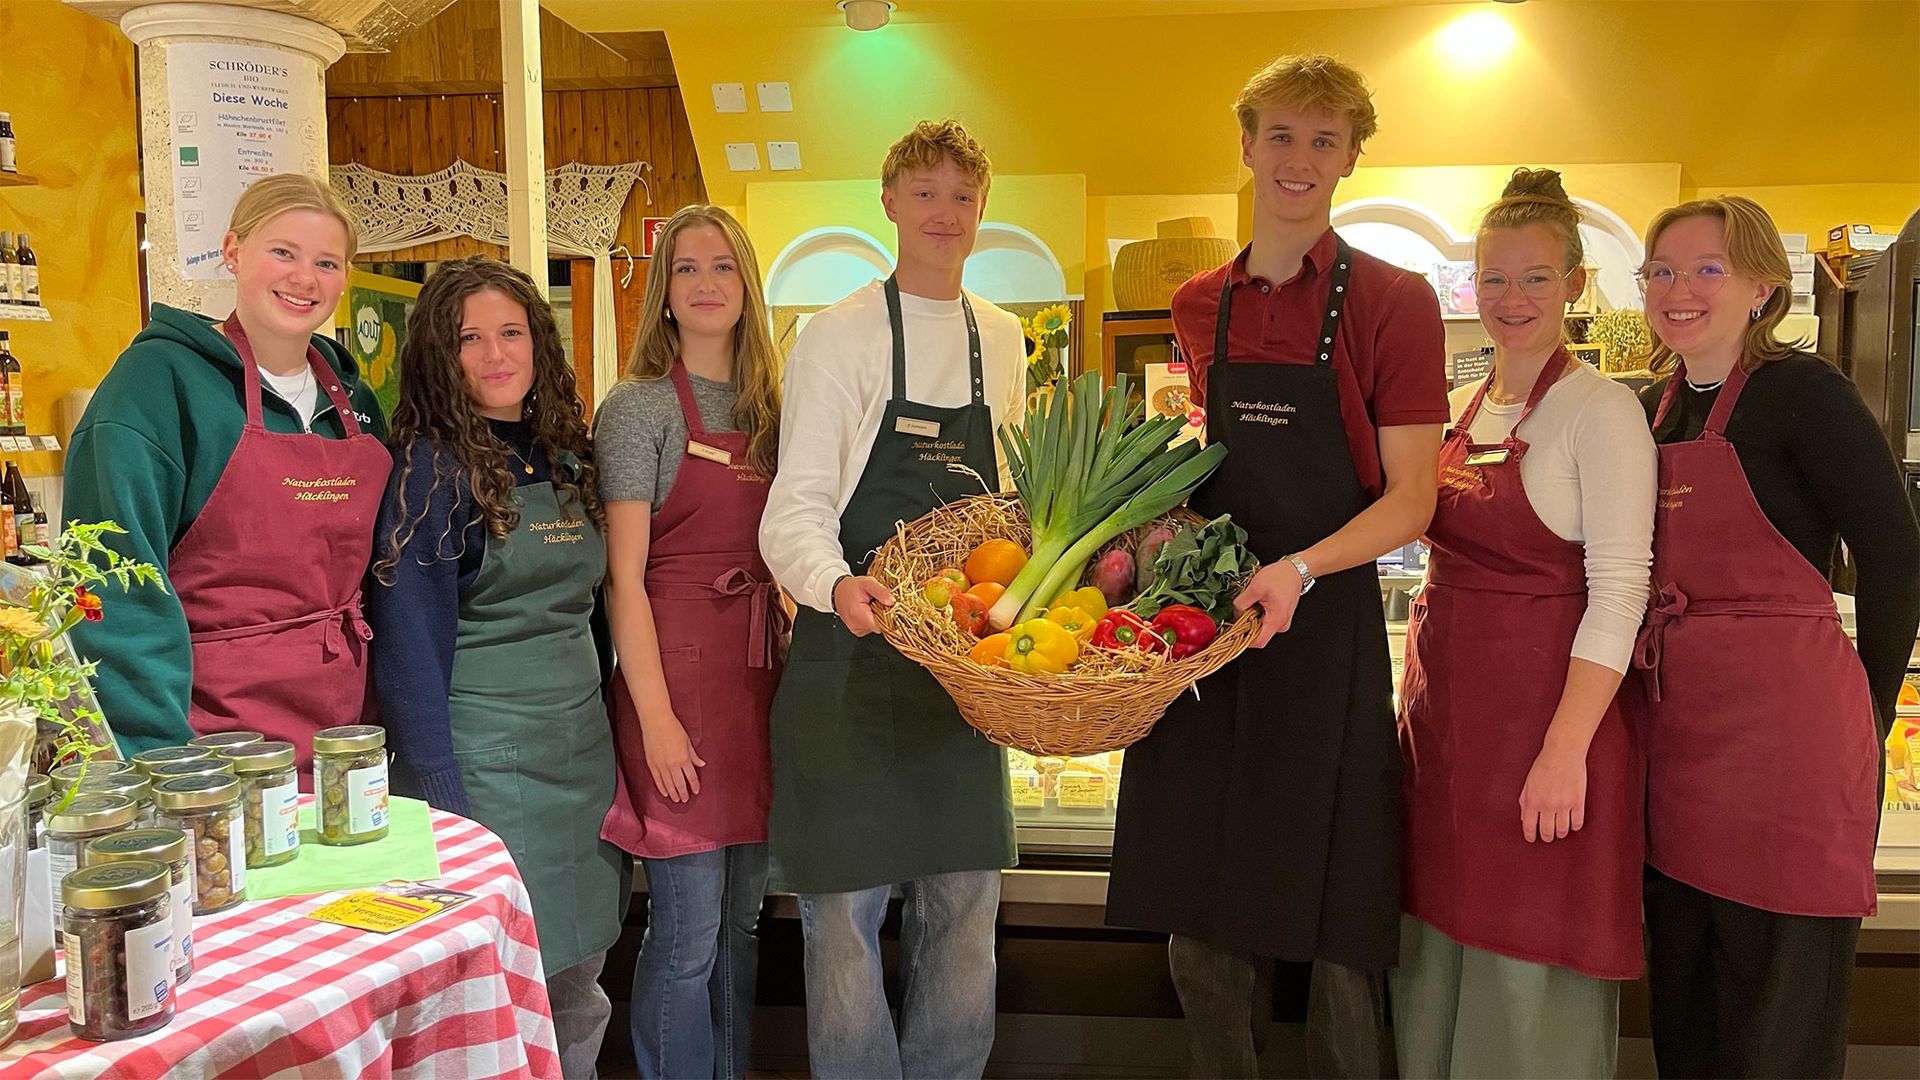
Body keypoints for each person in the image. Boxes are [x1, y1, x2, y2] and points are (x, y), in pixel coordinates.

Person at [1105, 54, 1448, 1079]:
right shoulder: (1198, 302)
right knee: (1197, 902)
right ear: (1247, 145)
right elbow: (1214, 459)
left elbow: (1413, 497)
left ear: (1351, 157)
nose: (1300, 159)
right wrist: (1148, 540)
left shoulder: (1397, 301)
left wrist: (1300, 569)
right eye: (1283, 136)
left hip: (1324, 629)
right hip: (1207, 630)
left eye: (1325, 140)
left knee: (1340, 924)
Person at [757, 119, 1027, 1079]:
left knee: (965, 920)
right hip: (851, 669)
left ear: (983, 208)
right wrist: (835, 584)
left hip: (962, 683)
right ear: (890, 203)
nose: (945, 213)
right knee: (842, 928)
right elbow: (795, 510)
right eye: (925, 193)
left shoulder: (1004, 338)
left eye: (963, 194)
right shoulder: (837, 335)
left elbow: (1010, 511)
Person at [1631, 196, 1920, 1078]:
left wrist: (1867, 707)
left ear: (1762, 286)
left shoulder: (1806, 395)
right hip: (1675, 739)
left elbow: (1895, 553)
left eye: (1707, 269)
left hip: (1789, 742)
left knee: (1777, 1005)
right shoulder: (1649, 409)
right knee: (1686, 991)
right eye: (1663, 271)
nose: (1680, 289)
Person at [1390, 169, 1655, 1078]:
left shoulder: (1602, 412)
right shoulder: (1463, 408)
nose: (1512, 299)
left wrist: (1563, 752)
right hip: (1445, 742)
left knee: (1528, 971)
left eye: (1536, 278)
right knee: (1436, 960)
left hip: (1547, 742)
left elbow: (1621, 593)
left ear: (1576, 284)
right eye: (1494, 278)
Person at [366, 256, 625, 1078]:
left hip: (580, 759)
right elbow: (408, 653)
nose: (493, 355)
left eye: (510, 333)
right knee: (506, 993)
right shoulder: (429, 473)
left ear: (540, 345)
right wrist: (444, 806)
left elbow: (602, 617)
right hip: (485, 770)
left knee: (581, 978)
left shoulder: (571, 460)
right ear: (440, 357)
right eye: (468, 338)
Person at [63, 173, 390, 760]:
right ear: (233, 252)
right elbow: (115, 587)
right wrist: (160, 760)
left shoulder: (355, 403)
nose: (304, 279)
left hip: (348, 738)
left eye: (327, 263)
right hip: (211, 743)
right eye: (282, 252)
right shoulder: (156, 387)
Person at [594, 205, 784, 1080]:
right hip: (671, 683)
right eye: (686, 269)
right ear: (663, 295)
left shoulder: (775, 411)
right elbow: (622, 580)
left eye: (723, 268)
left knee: (743, 926)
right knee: (688, 936)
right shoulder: (637, 411)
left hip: (759, 684)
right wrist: (658, 723)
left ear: (748, 288)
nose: (706, 285)